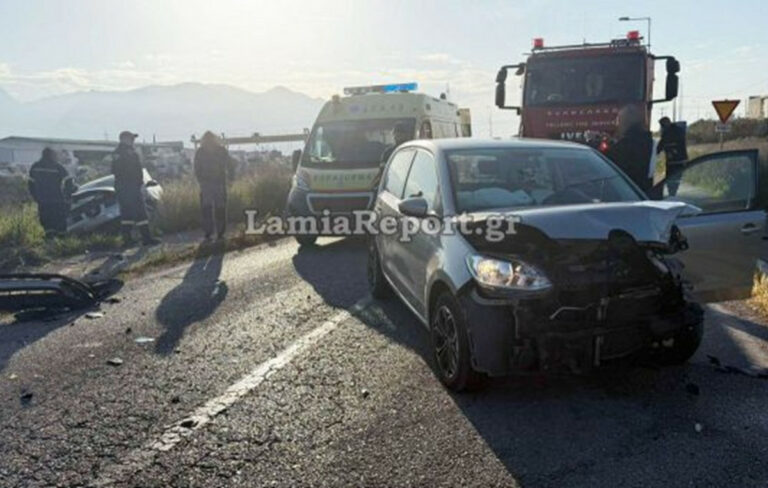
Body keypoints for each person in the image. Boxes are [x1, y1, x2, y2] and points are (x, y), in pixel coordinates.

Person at [112, 131, 159, 246]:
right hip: (126, 186)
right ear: (124, 139)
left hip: (134, 185)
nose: (133, 140)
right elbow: (116, 170)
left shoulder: (131, 151)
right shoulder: (119, 152)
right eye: (131, 138)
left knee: (137, 213)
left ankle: (142, 238)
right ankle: (132, 240)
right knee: (131, 213)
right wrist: (130, 180)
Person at [28, 147, 77, 237]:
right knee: (59, 222)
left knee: (47, 222)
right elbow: (68, 181)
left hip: (42, 201)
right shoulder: (57, 166)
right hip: (56, 199)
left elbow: (31, 184)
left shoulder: (35, 167)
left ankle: (50, 241)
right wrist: (68, 194)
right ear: (52, 155)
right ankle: (61, 242)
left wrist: (36, 197)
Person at [606, 106, 654, 194]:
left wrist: (594, 145)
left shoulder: (626, 144)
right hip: (646, 192)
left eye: (618, 120)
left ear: (625, 122)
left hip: (628, 193)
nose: (616, 124)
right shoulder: (649, 141)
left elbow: (607, 163)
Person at [194, 131, 231, 240]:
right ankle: (219, 232)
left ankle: (210, 232)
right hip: (216, 183)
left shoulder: (201, 152)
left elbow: (196, 168)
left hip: (208, 184)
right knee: (217, 208)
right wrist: (231, 177)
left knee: (208, 209)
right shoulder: (220, 150)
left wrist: (200, 180)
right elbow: (230, 164)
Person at [657, 116, 689, 196]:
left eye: (662, 125)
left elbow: (661, 144)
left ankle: (672, 193)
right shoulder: (678, 130)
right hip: (680, 159)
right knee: (676, 177)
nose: (661, 127)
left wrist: (656, 152)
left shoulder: (668, 132)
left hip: (673, 160)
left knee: (671, 177)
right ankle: (673, 192)